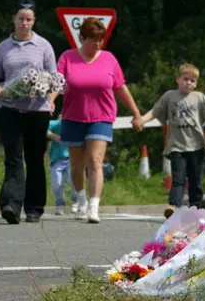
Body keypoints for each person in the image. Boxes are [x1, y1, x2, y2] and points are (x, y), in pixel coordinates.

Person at [52, 17, 144, 224]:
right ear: (82, 38)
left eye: (100, 40)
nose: (97, 44)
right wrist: (49, 102)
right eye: (93, 40)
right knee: (76, 165)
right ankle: (82, 201)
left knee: (94, 160)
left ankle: (94, 206)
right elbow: (57, 84)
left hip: (101, 117)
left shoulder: (109, 59)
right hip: (72, 117)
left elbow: (120, 87)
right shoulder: (68, 57)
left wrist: (136, 113)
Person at [0, 0, 57, 224]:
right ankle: (11, 205)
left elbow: (54, 78)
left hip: (37, 110)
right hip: (9, 110)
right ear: (14, 19)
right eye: (21, 19)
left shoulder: (44, 46)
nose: (24, 23)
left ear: (34, 21)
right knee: (13, 157)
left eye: (29, 19)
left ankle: (34, 207)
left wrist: (49, 96)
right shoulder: (2, 48)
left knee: (35, 158)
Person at [140, 63, 205, 219]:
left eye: (192, 80)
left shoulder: (199, 98)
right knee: (178, 179)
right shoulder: (169, 96)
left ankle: (195, 209)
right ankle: (174, 208)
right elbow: (155, 111)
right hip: (177, 147)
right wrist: (141, 120)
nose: (188, 83)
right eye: (185, 79)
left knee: (195, 181)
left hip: (196, 147)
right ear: (178, 79)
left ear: (196, 83)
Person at [47, 115, 78, 215]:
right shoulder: (54, 124)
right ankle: (60, 204)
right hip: (56, 158)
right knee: (57, 185)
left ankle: (76, 201)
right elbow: (43, 129)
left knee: (74, 181)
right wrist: (55, 136)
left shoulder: (73, 123)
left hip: (71, 158)